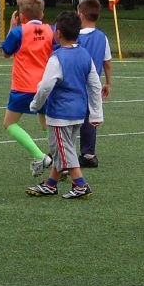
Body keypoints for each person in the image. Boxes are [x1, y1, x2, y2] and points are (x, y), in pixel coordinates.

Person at [26, 11, 102, 199]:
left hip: (60, 113)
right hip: (79, 112)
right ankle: (51, 184)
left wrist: (35, 104)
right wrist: (96, 113)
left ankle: (81, 185)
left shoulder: (57, 58)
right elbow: (95, 85)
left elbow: (45, 86)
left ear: (58, 33)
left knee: (63, 149)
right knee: (62, 148)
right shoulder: (85, 54)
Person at [2, 0, 54, 176]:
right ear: (42, 14)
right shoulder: (51, 30)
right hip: (46, 86)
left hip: (23, 87)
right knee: (47, 124)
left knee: (9, 123)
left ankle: (40, 156)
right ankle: (58, 160)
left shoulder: (18, 32)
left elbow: (6, 52)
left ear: (21, 16)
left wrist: (12, 27)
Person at [76, 0, 113, 168]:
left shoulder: (75, 36)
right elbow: (107, 62)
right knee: (90, 118)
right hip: (93, 84)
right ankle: (89, 154)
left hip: (74, 83)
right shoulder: (102, 37)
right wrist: (108, 82)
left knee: (67, 117)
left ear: (80, 15)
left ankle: (62, 153)